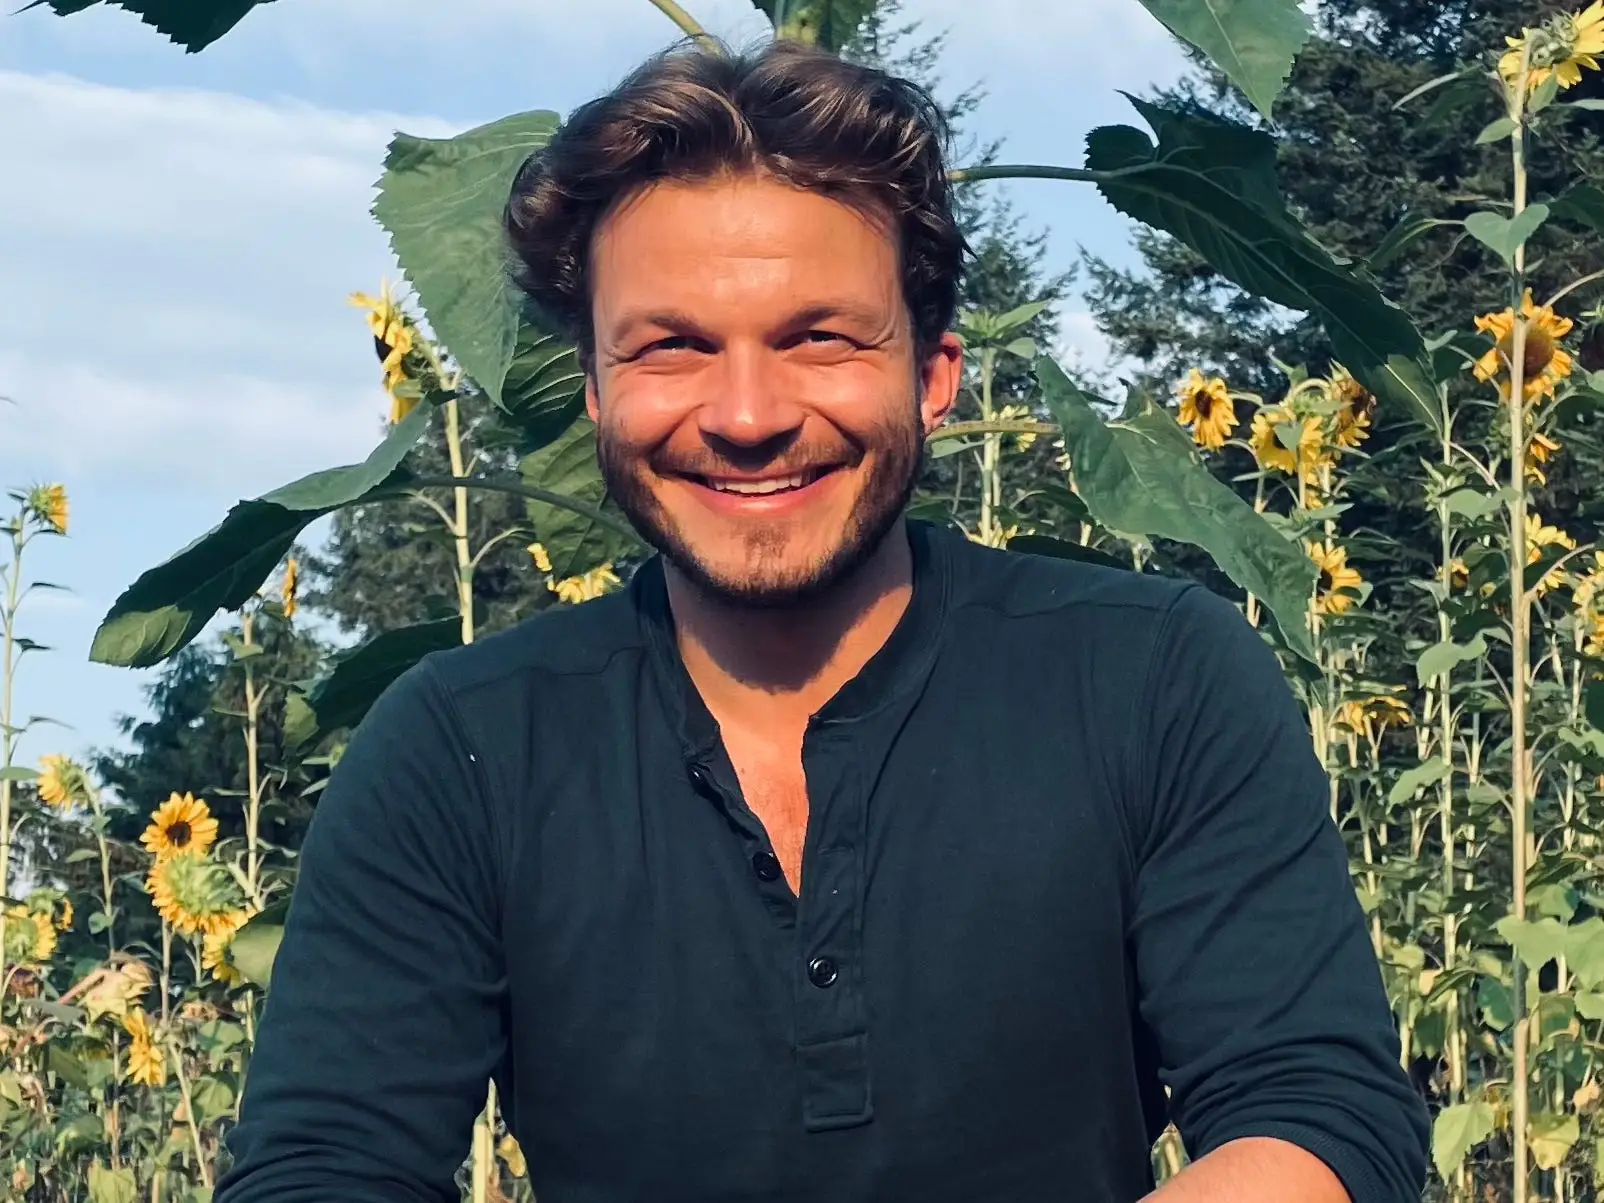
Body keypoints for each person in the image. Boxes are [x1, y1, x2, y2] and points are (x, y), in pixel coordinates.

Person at [216, 36, 1430, 1203]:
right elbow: (325, 1164)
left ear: (933, 376)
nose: (745, 413)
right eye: (670, 349)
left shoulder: (1151, 677)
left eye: (819, 339)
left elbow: (1314, 1108)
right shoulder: (460, 747)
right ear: (592, 393)